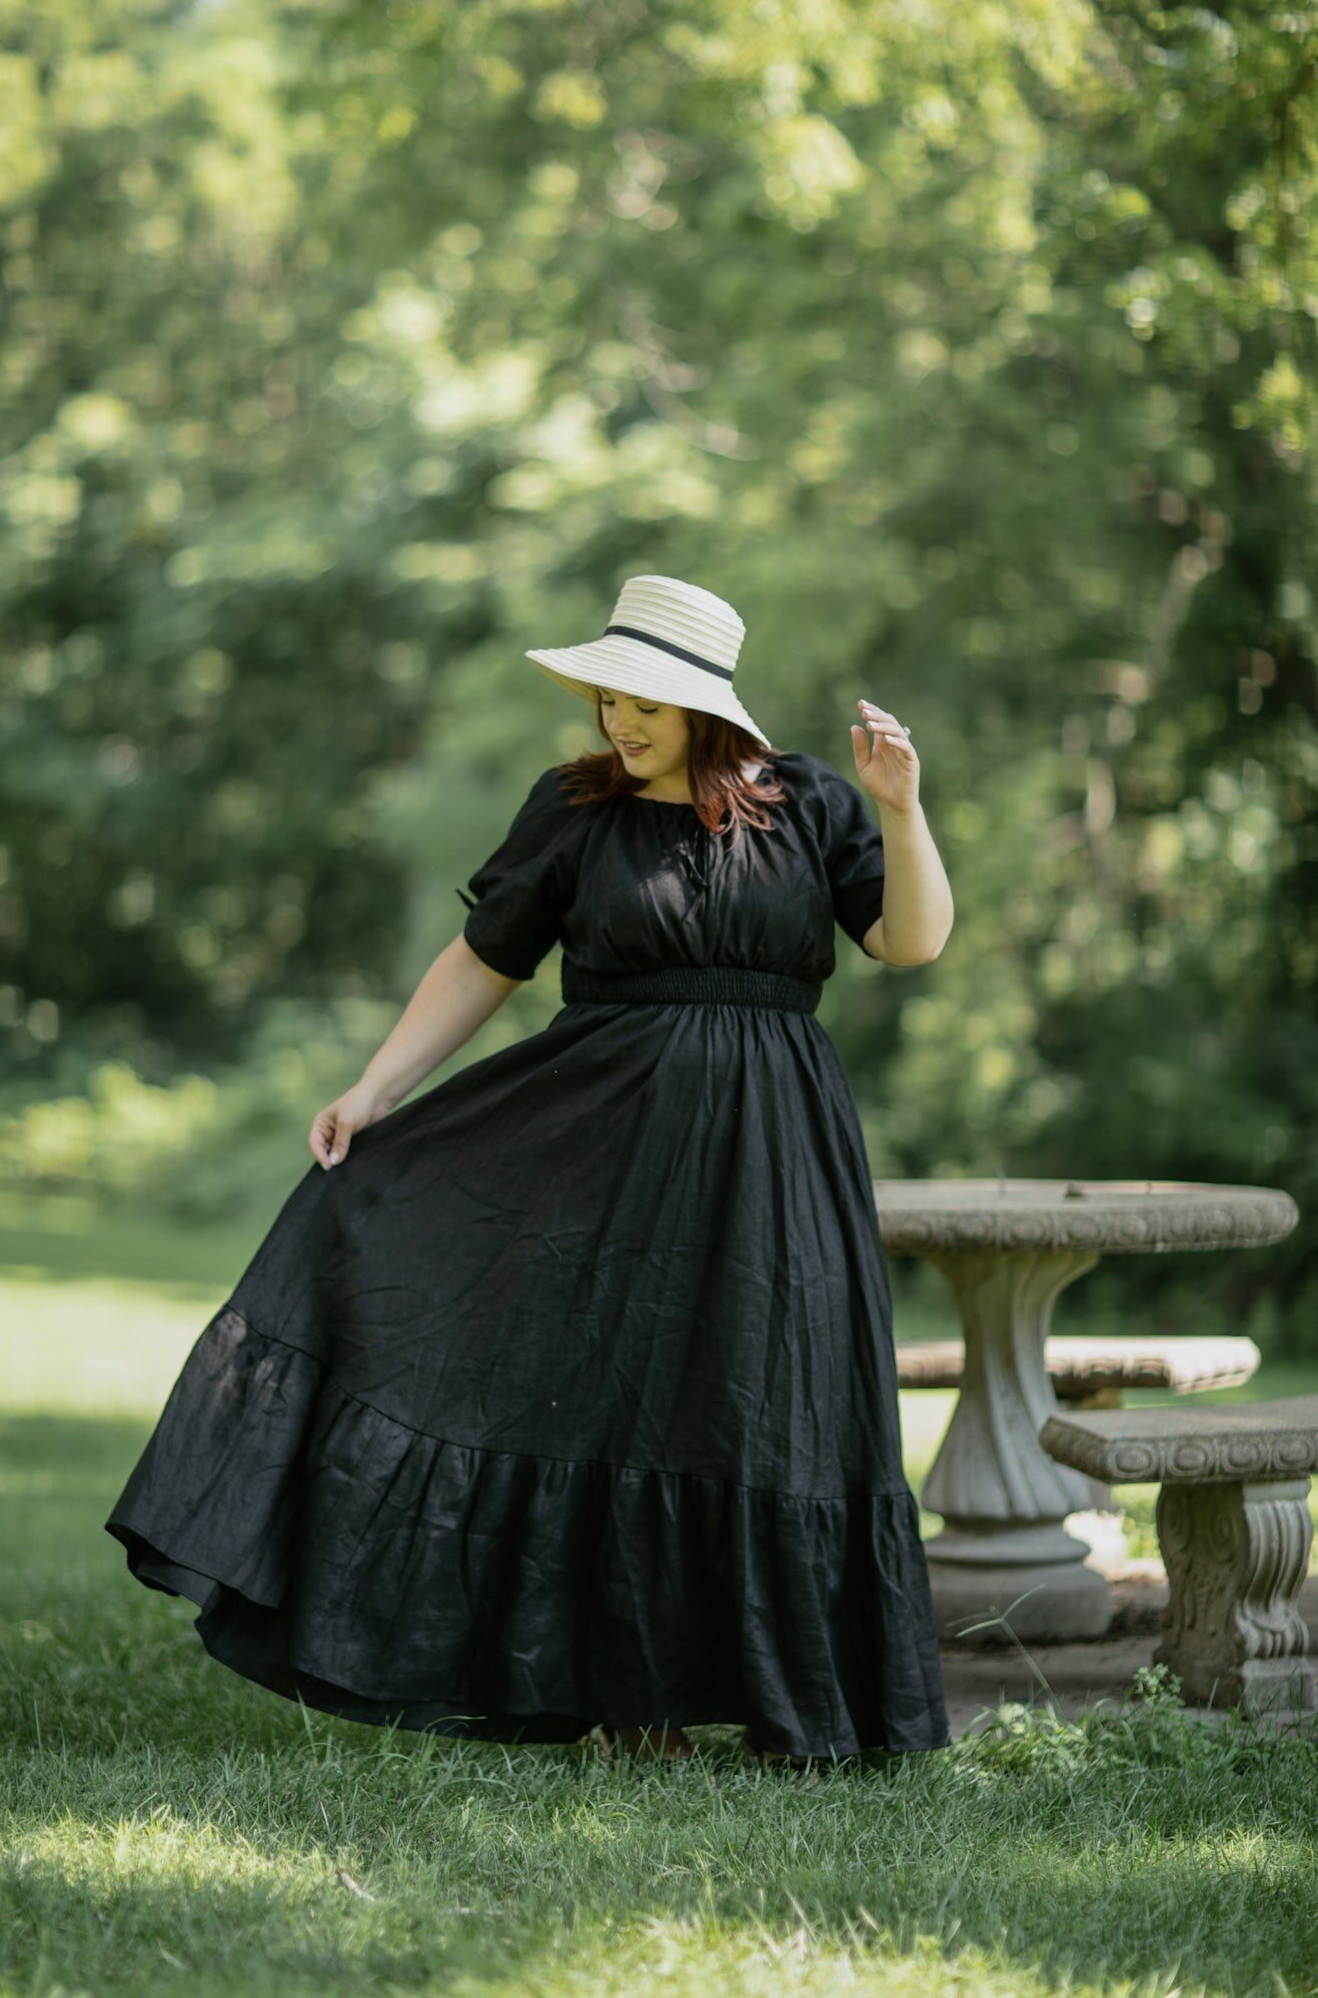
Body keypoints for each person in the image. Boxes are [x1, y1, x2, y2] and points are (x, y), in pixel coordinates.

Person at [107, 574, 955, 1769]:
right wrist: (375, 1087)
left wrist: (902, 810)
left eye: (645, 702)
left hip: (776, 1148)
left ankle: (793, 1703)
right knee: (623, 1396)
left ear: (707, 705)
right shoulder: (575, 808)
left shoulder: (809, 800)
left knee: (769, 1390)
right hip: (601, 1143)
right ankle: (633, 1702)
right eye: (609, 695)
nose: (620, 719)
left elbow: (910, 939)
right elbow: (483, 959)